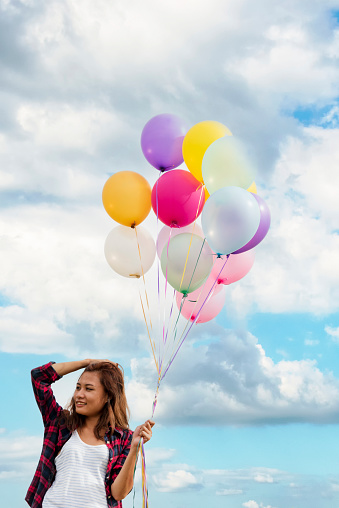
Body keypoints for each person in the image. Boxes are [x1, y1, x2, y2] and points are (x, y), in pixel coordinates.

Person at [25, 359, 154, 508]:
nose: (79, 394)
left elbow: (118, 493)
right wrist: (87, 363)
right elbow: (38, 377)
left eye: (89, 389)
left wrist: (134, 449)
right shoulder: (60, 423)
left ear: (108, 396)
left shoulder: (125, 438)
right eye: (78, 387)